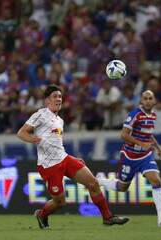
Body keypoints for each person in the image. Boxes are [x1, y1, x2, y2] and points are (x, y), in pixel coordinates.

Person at [17, 84, 129, 229]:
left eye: (60, 96)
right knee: (60, 202)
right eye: (54, 96)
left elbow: (57, 146)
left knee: (93, 183)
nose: (58, 99)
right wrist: (32, 139)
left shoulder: (59, 120)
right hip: (49, 165)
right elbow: (21, 133)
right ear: (47, 100)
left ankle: (108, 217)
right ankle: (42, 214)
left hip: (64, 159)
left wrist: (72, 158)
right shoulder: (41, 114)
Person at [98, 90, 161, 227]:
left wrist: (158, 147)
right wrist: (142, 144)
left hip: (145, 156)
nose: (147, 100)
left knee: (156, 180)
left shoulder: (153, 115)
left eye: (150, 98)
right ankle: (98, 181)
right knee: (122, 187)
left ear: (154, 101)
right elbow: (123, 135)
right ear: (141, 101)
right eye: (145, 98)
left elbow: (148, 134)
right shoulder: (135, 114)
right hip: (130, 156)